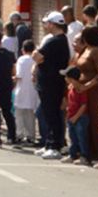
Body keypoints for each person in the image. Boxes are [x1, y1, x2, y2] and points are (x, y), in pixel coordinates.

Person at [33, 12, 71, 159]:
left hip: (51, 83)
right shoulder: (57, 40)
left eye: (46, 23)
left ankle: (55, 146)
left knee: (52, 114)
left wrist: (40, 59)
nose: (44, 25)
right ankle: (49, 143)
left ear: (53, 24)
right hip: (48, 83)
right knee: (48, 114)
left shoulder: (55, 41)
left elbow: (36, 56)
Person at [72, 27, 98, 162]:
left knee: (95, 122)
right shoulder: (85, 49)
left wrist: (88, 85)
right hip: (81, 90)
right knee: (83, 122)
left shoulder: (97, 51)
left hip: (95, 91)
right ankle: (85, 152)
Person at [61, 67, 90, 164]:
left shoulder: (80, 89)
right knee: (72, 137)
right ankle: (72, 155)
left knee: (82, 137)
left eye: (66, 77)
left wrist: (76, 117)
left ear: (71, 78)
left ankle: (84, 156)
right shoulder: (71, 88)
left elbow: (83, 105)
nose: (65, 79)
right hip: (71, 116)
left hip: (80, 117)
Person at [14, 40, 38, 144]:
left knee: (19, 113)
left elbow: (19, 75)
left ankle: (19, 134)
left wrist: (12, 78)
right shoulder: (35, 59)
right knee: (30, 114)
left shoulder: (21, 59)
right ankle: (31, 136)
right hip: (33, 89)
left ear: (23, 49)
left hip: (21, 89)